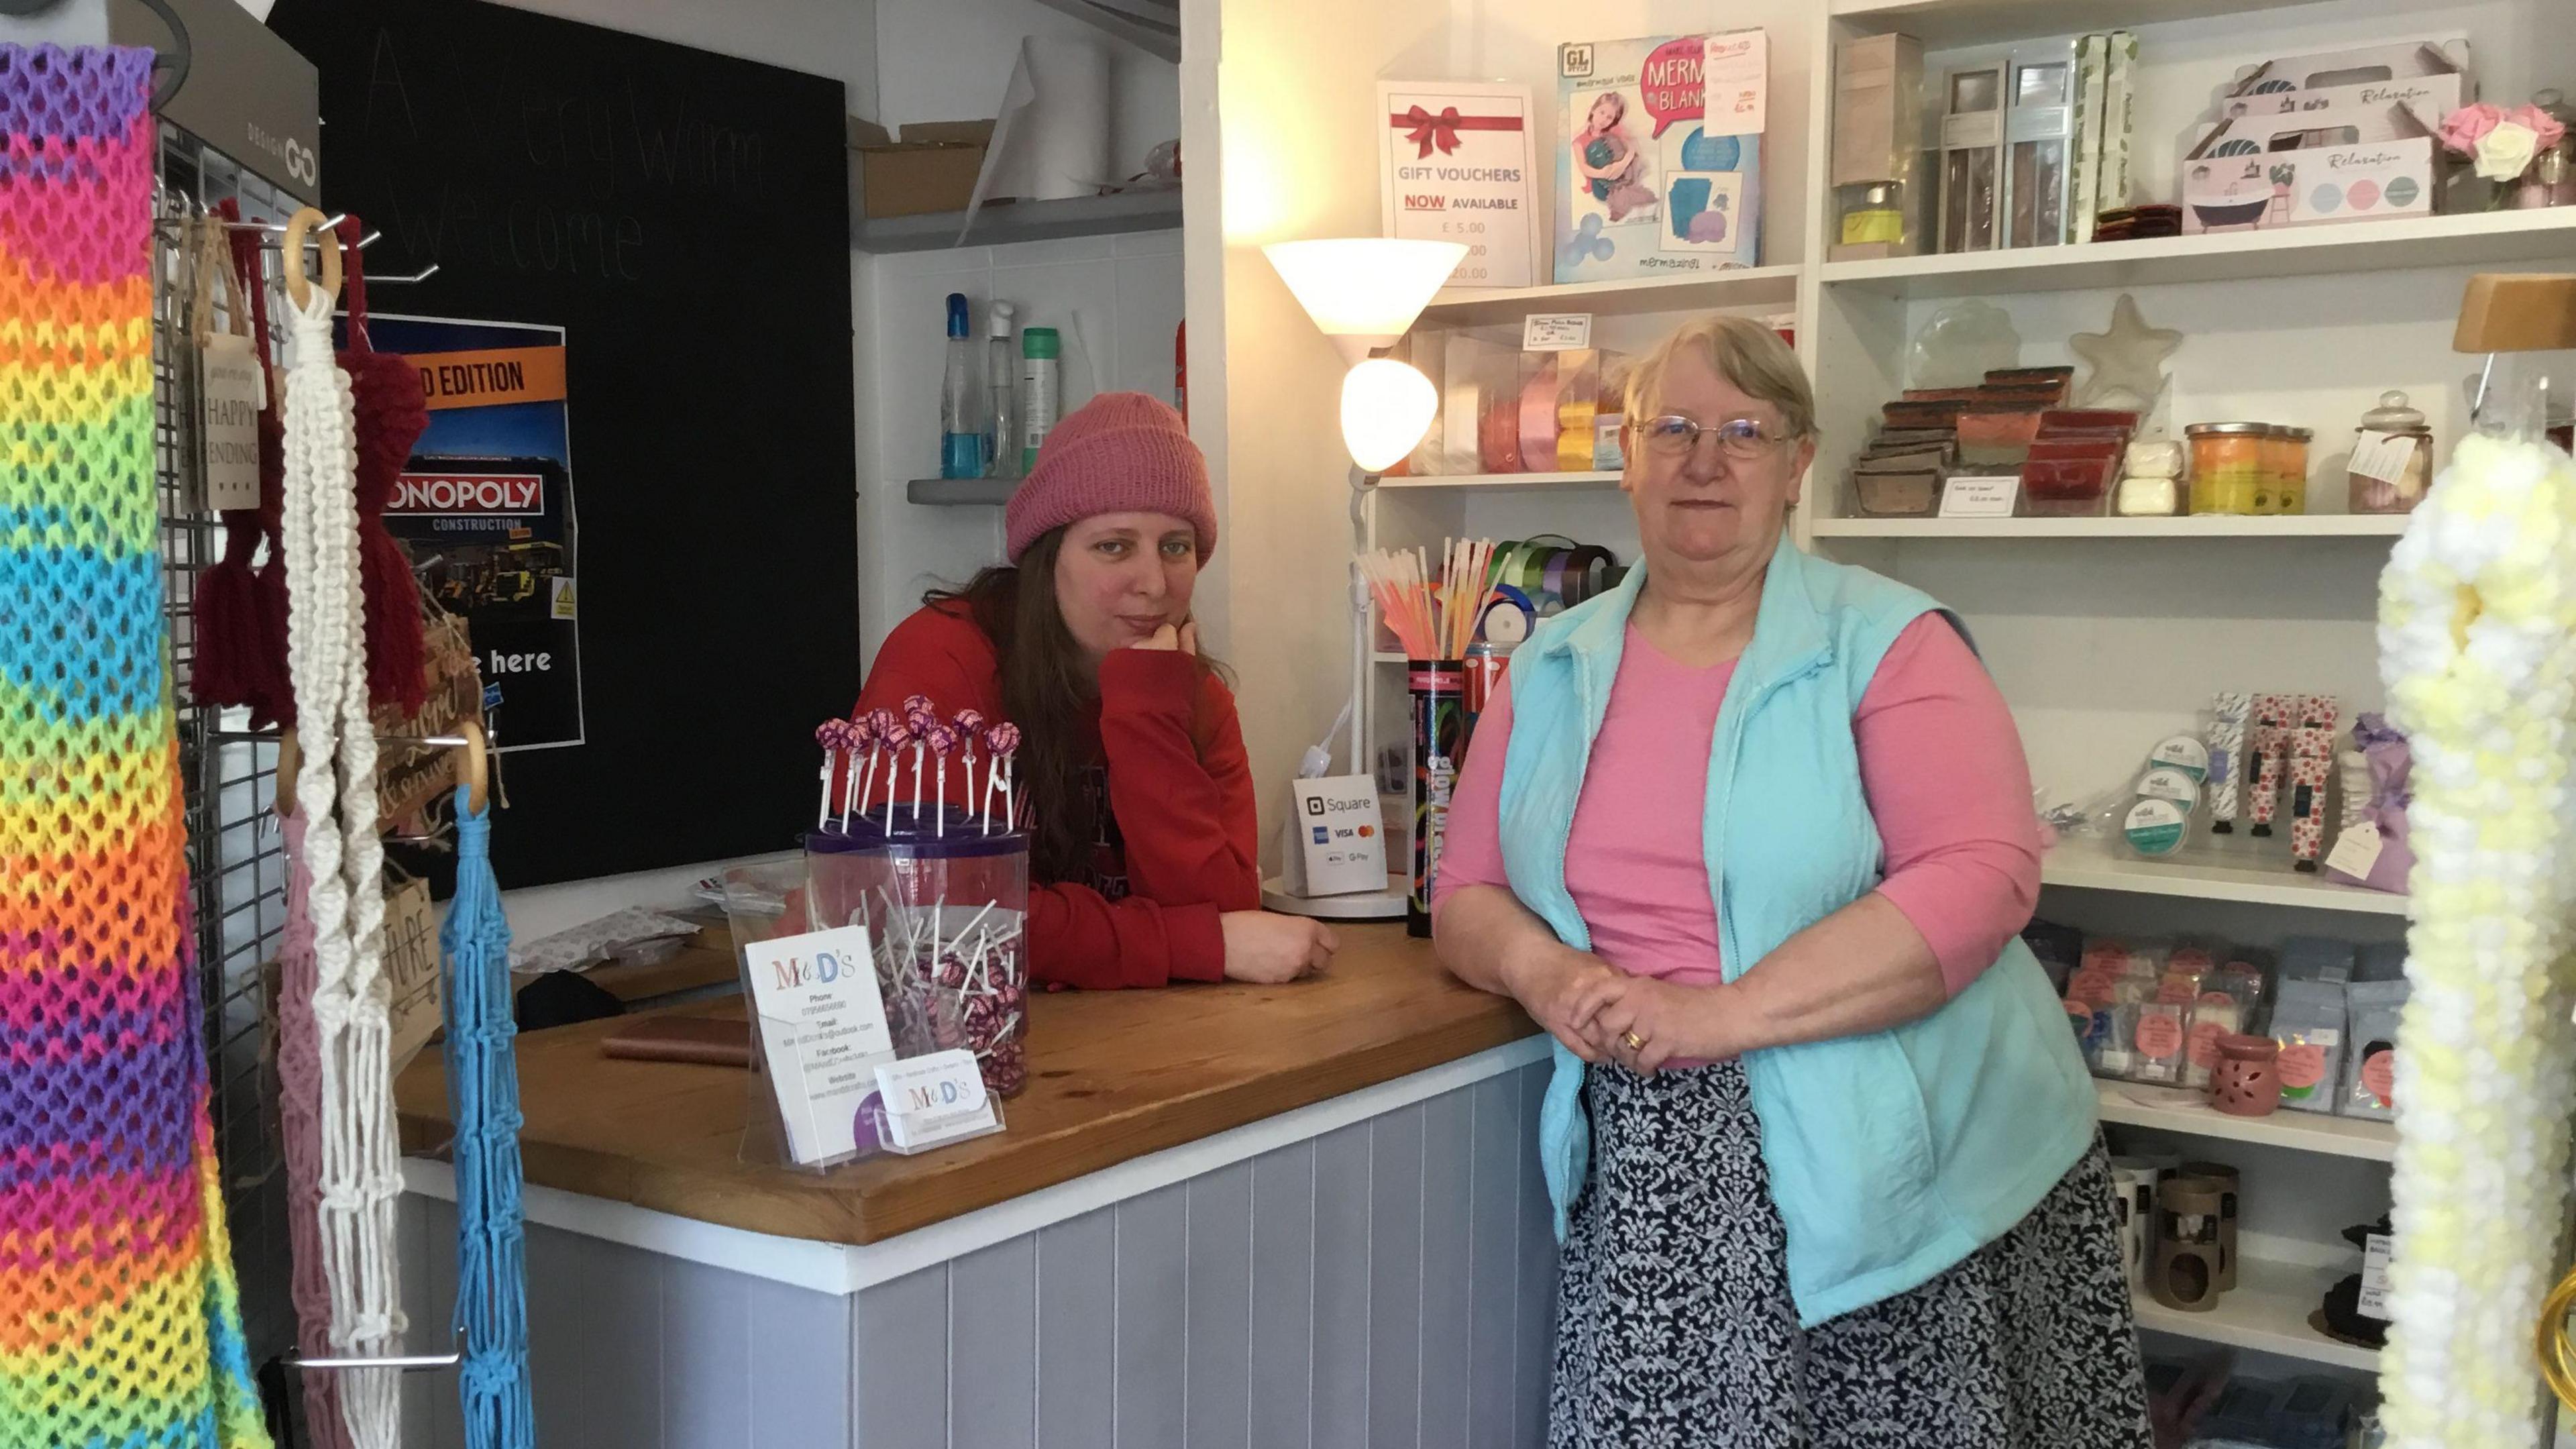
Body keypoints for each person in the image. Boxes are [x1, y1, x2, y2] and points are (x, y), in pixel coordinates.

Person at [1432, 317, 2150, 1447]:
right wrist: (1549, 975)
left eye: (1742, 432)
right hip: (1656, 1151)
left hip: (1888, 1150)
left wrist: (1719, 1015)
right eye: (1670, 428)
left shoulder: (1887, 643)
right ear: (1625, 455)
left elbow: (1984, 877)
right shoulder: (1551, 663)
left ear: (1798, 461)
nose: (1703, 460)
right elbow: (1466, 888)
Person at [853, 392, 1336, 991]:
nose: (1155, 584)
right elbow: (936, 911)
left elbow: (1225, 914)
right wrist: (1191, 944)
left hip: (1138, 1042)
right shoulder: (943, 659)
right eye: (1114, 546)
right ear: (1047, 558)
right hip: (956, 1046)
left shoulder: (1191, 695)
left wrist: (1147, 715)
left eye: (1176, 547)